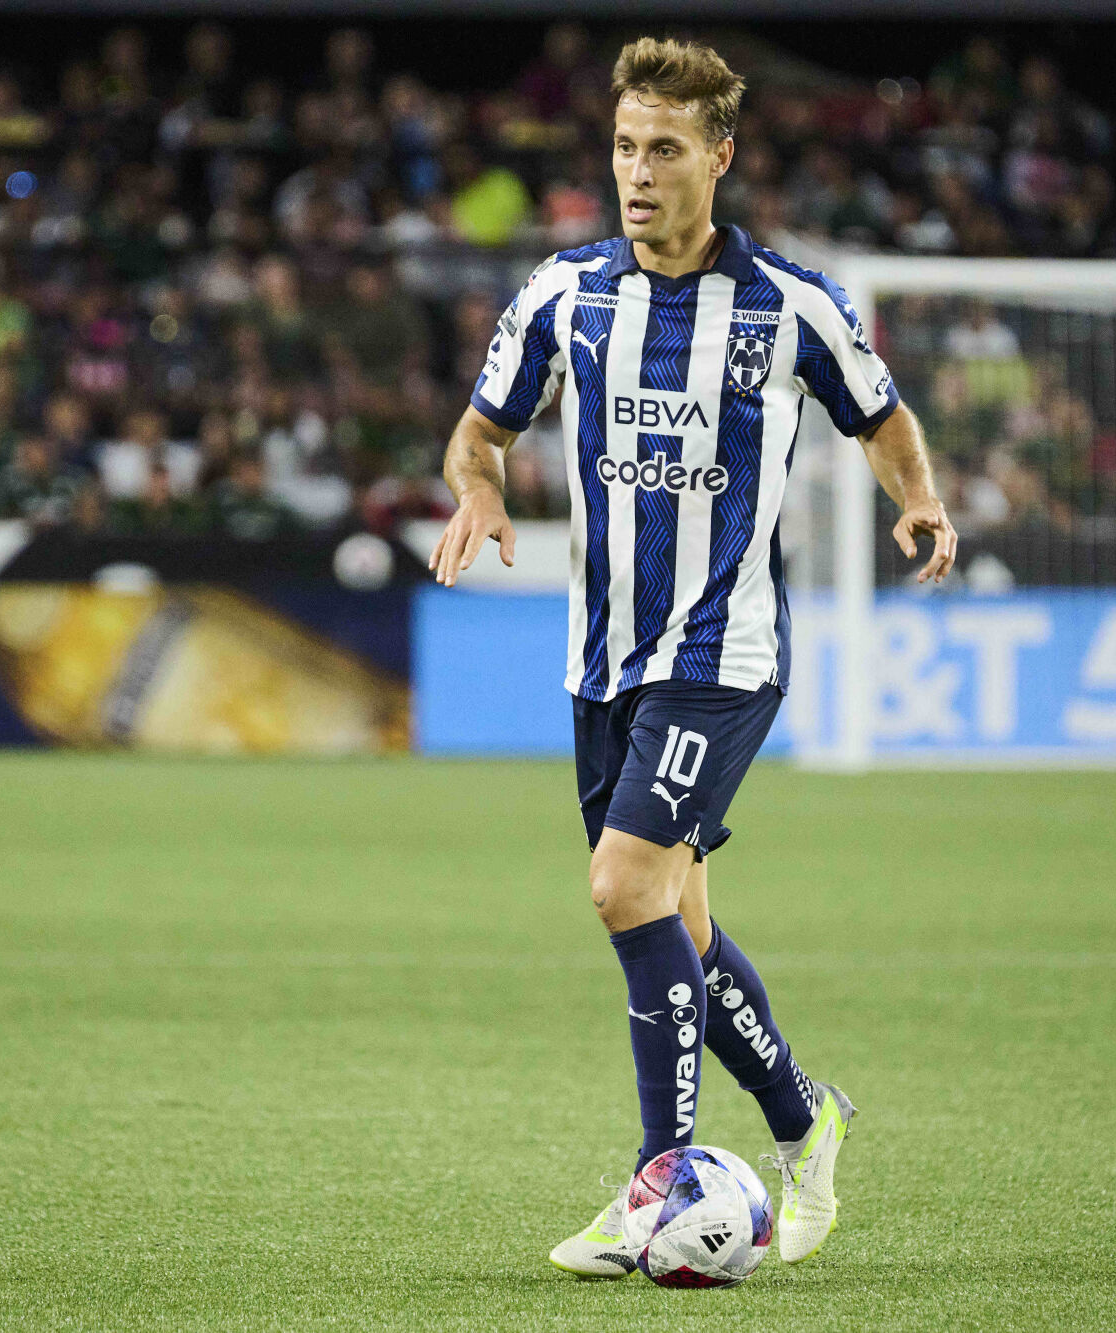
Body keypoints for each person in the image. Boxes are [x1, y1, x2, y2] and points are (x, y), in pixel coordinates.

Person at [430, 37, 956, 1278]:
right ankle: (803, 1116)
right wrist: (480, 489)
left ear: (719, 157)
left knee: (622, 889)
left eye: (663, 149)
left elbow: (881, 416)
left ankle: (656, 1185)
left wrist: (919, 500)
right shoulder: (564, 292)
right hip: (603, 662)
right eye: (624, 146)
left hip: (724, 653)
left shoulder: (791, 303)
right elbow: (478, 430)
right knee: (680, 926)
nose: (637, 171)